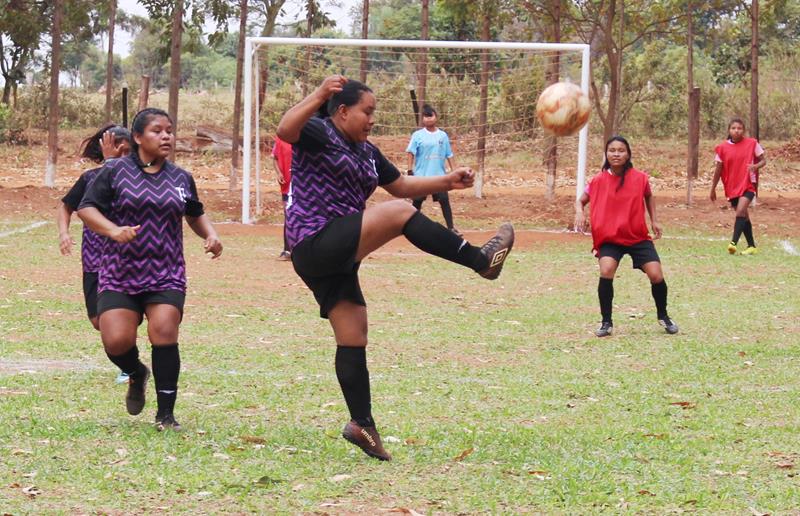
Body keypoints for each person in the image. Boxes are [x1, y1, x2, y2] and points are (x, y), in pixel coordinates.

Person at [277, 75, 514, 461]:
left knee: (353, 334)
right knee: (401, 215)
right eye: (367, 111)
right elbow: (286, 130)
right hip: (315, 241)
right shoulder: (320, 131)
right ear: (341, 111)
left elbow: (401, 185)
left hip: (339, 254)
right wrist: (319, 92)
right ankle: (479, 259)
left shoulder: (367, 152)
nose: (372, 119)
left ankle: (362, 426)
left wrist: (448, 182)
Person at [77, 108, 223, 431]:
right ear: (138, 138)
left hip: (165, 271)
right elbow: (86, 208)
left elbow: (194, 213)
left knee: (165, 332)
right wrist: (113, 231)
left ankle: (166, 415)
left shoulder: (181, 177)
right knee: (115, 341)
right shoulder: (114, 172)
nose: (166, 136)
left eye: (169, 130)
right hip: (119, 271)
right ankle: (136, 372)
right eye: (157, 131)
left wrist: (210, 234)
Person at [574, 136, 678, 338]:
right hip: (610, 238)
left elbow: (649, 195)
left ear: (628, 154)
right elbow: (581, 201)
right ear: (606, 154)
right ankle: (606, 322)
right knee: (606, 270)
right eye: (612, 150)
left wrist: (654, 220)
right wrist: (579, 212)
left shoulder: (640, 178)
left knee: (656, 275)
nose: (616, 154)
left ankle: (663, 316)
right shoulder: (597, 180)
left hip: (637, 236)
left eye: (621, 150)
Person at [57, 125, 132, 382]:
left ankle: (129, 366)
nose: (124, 155)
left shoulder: (137, 180)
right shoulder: (90, 179)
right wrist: (63, 233)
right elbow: (66, 207)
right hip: (93, 260)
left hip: (124, 261)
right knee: (98, 321)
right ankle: (127, 359)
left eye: (128, 151)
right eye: (118, 150)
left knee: (121, 317)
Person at [709, 118, 766, 255]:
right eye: (733, 128)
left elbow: (764, 160)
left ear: (743, 130)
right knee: (744, 216)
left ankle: (733, 243)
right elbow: (718, 170)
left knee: (740, 211)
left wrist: (755, 166)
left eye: (739, 128)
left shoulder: (752, 143)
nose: (736, 130)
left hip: (748, 184)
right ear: (729, 130)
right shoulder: (722, 148)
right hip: (732, 186)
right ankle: (751, 246)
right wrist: (713, 188)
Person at [406, 103, 461, 236]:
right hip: (422, 176)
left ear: (436, 117)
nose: (428, 119)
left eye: (431, 116)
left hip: (439, 176)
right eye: (425, 116)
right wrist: (410, 170)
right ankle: (409, 228)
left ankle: (451, 228)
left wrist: (455, 171)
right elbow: (410, 152)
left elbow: (449, 154)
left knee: (444, 201)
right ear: (422, 119)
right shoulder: (417, 135)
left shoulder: (442, 136)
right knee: (417, 202)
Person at [272, 134, 293, 260]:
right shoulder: (280, 139)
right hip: (286, 184)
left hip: (301, 184)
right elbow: (274, 158)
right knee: (288, 214)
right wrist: (279, 173)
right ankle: (287, 250)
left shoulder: (304, 137)